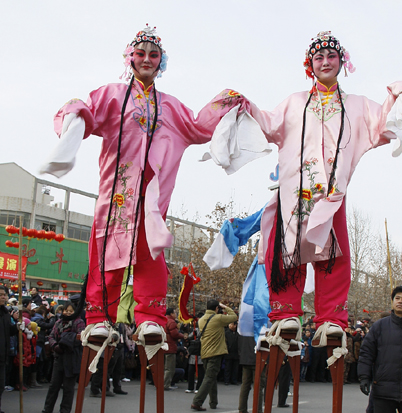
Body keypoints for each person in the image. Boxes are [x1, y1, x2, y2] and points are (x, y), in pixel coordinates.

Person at [41, 25, 248, 362]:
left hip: (152, 195)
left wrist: (225, 101)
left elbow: (197, 127)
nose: (147, 59)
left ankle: (150, 315)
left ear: (161, 62)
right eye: (141, 54)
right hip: (118, 193)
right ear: (130, 58)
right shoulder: (112, 95)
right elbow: (87, 115)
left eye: (154, 55)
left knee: (152, 251)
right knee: (108, 249)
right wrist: (74, 111)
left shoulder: (170, 105)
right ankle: (97, 316)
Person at [237, 31, 402, 347]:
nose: (325, 62)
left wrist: (399, 91)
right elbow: (267, 123)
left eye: (330, 56)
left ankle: (332, 318)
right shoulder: (296, 102)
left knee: (334, 253)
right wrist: (244, 104)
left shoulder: (356, 105)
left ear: (341, 62)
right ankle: (286, 313)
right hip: (296, 190)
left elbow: (384, 122)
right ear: (310, 65)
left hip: (333, 192)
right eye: (318, 58)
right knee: (287, 250)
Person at [191, 300, 237, 411]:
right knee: (209, 377)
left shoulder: (201, 320)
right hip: (215, 352)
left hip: (205, 352)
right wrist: (225, 307)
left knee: (211, 377)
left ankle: (213, 402)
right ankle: (197, 401)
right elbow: (234, 317)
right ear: (216, 308)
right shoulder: (218, 318)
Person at [42, 302, 85, 413]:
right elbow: (51, 336)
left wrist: (66, 343)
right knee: (54, 384)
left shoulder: (79, 322)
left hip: (72, 357)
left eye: (71, 311)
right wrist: (55, 346)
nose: (68, 312)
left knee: (68, 386)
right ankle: (48, 407)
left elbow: (81, 337)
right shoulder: (58, 322)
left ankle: (65, 409)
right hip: (58, 356)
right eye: (66, 310)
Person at [0, 286, 18, 413]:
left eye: (4, 295)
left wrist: (17, 327)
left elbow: (9, 331)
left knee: (1, 385)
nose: (3, 297)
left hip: (3, 354)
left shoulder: (6, 313)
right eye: (0, 295)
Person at [164, 307, 183, 391]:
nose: (176, 314)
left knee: (163, 367)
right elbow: (174, 334)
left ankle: (160, 383)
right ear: (171, 313)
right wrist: (182, 335)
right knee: (169, 368)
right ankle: (166, 384)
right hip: (170, 347)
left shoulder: (163, 320)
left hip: (163, 346)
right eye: (175, 313)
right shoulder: (171, 322)